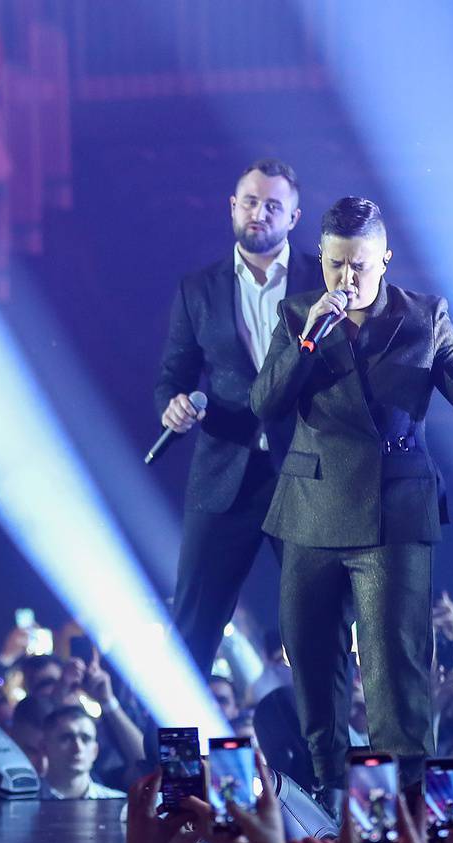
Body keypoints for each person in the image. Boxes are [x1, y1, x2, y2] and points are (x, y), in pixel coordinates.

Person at [250, 196, 453, 798]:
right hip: (311, 509)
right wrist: (311, 337)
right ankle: (327, 792)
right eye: (336, 265)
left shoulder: (425, 316)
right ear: (321, 260)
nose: (348, 279)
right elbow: (266, 403)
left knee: (395, 666)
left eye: (360, 266)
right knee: (313, 662)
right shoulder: (298, 316)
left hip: (393, 513)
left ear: (385, 259)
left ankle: (405, 803)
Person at [153, 159, 323, 671]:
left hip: (304, 474)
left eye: (274, 205)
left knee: (317, 625)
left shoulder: (322, 280)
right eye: (251, 201)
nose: (259, 213)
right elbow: (173, 376)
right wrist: (173, 404)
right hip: (224, 471)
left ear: (293, 218)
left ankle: (325, 749)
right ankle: (176, 750)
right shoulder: (198, 289)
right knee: (193, 626)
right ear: (232, 206)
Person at [38, 705, 124, 799]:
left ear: (95, 751)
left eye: (85, 739)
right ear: (44, 748)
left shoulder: (118, 804)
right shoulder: (23, 803)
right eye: (66, 738)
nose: (78, 748)